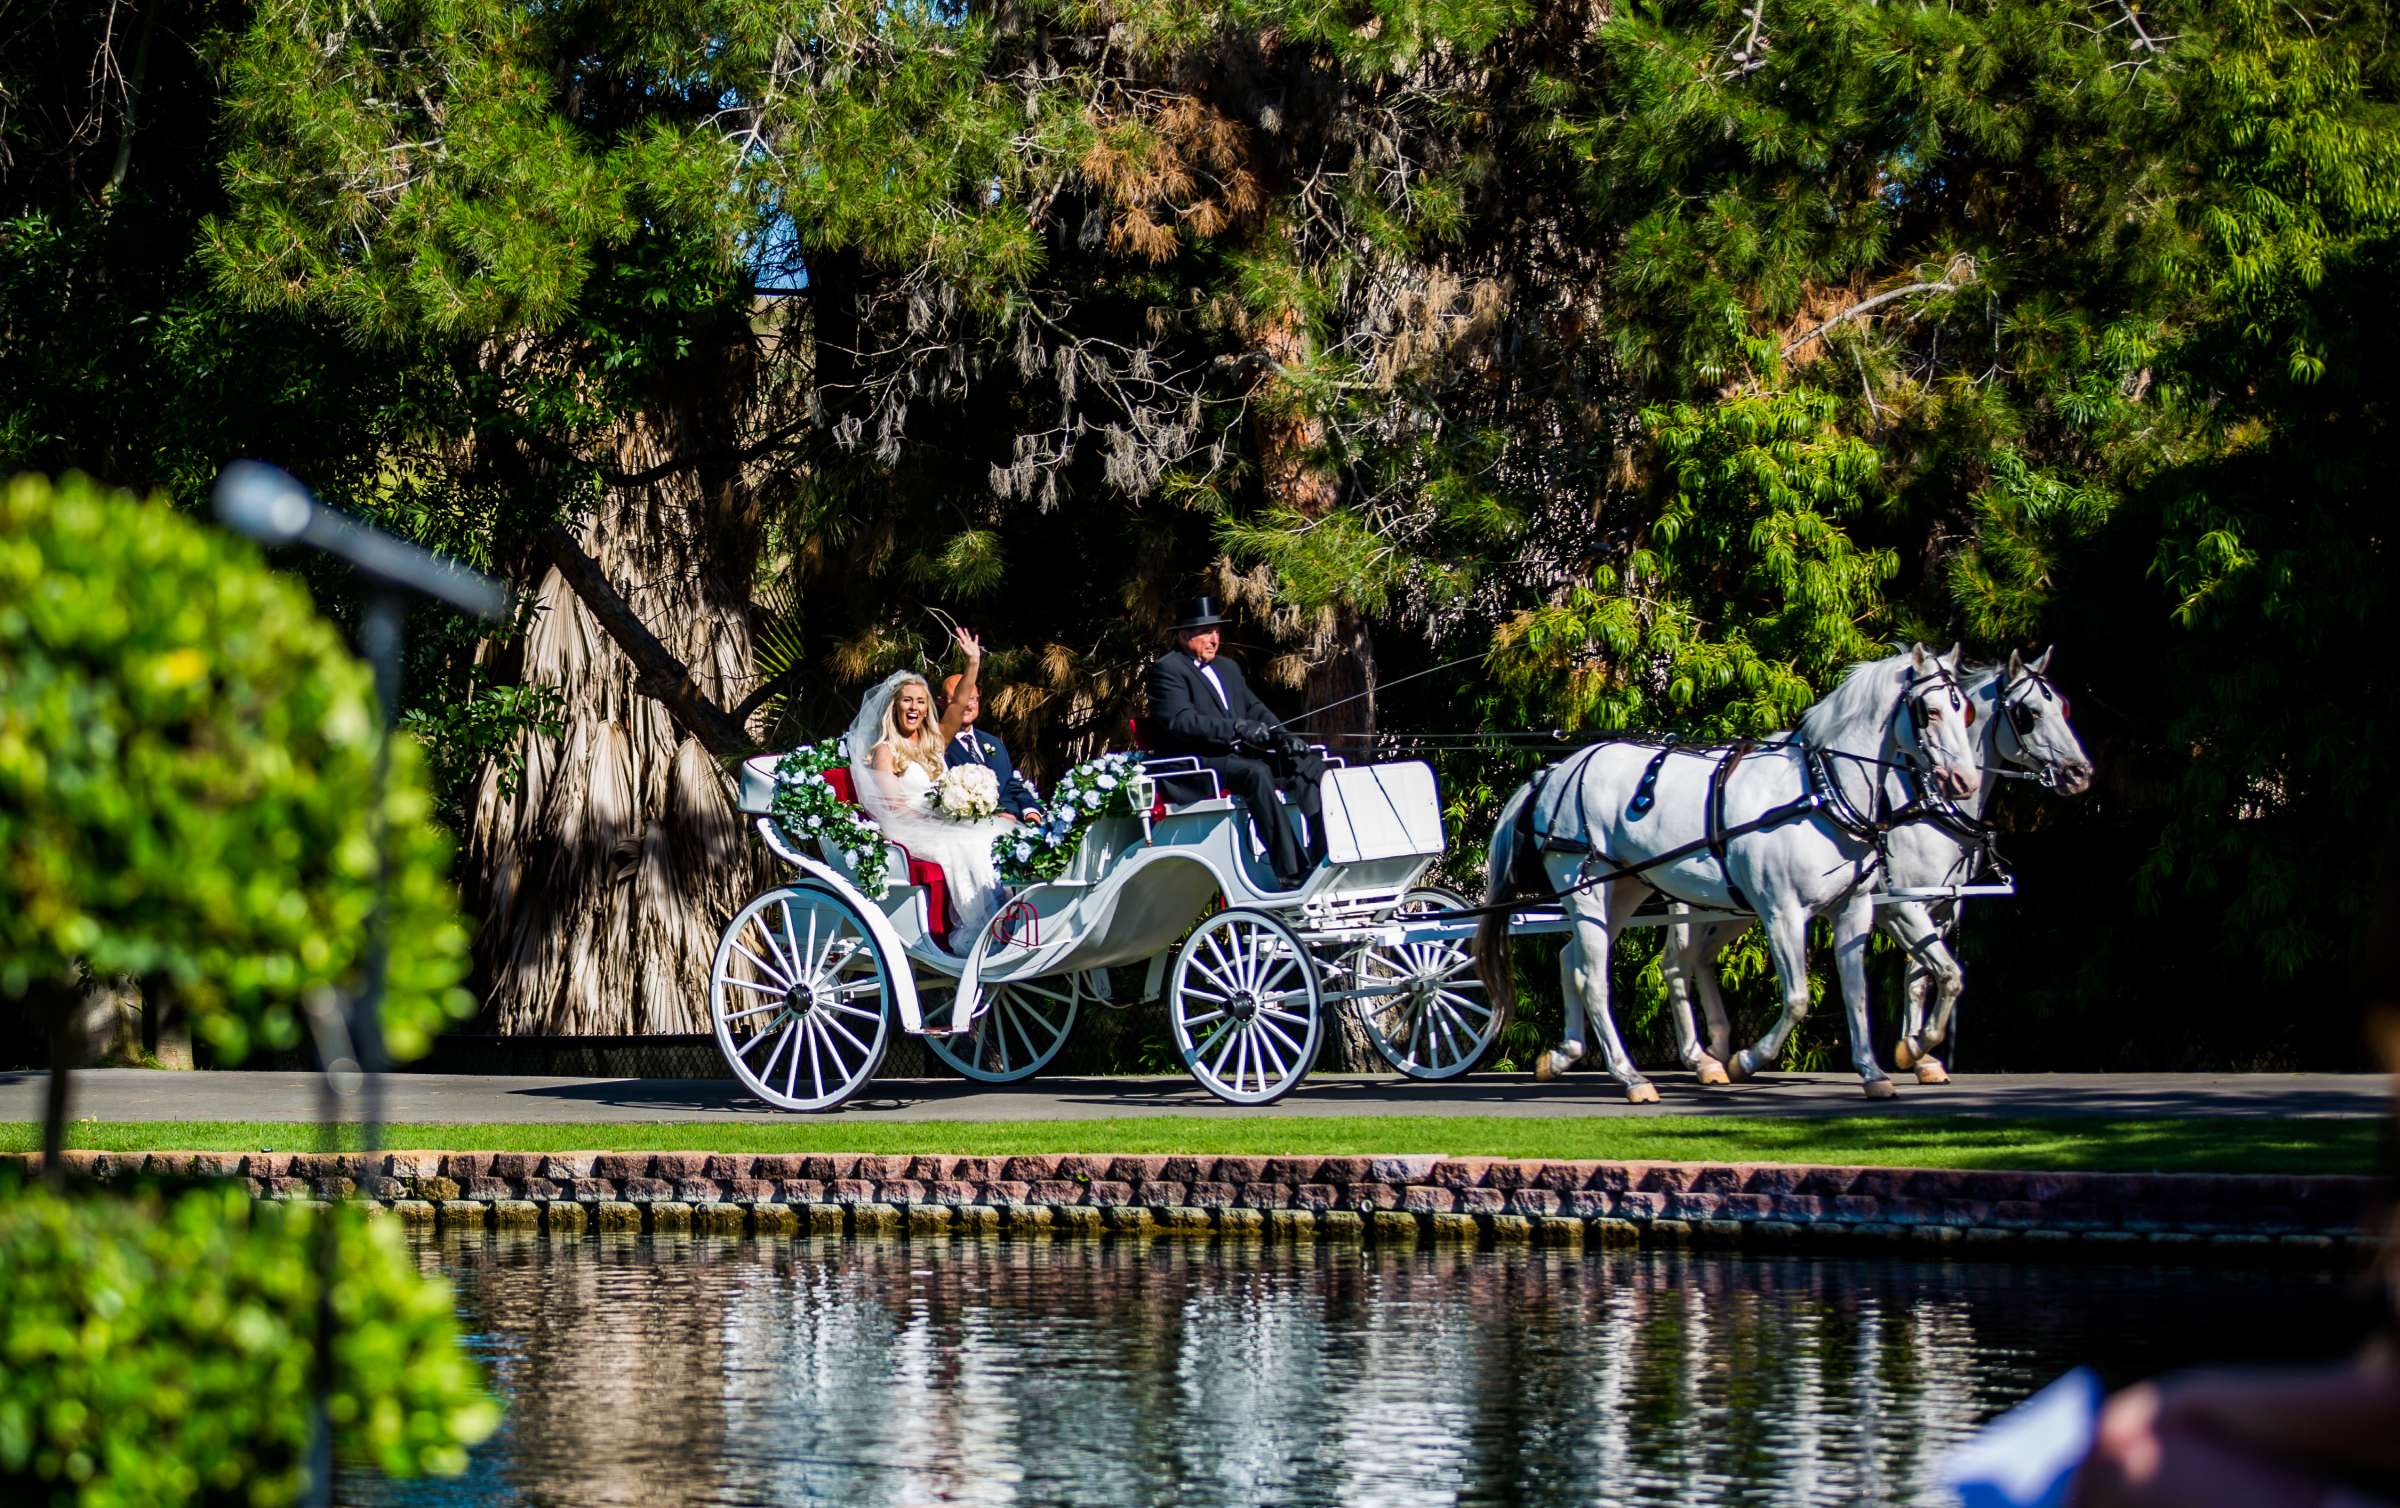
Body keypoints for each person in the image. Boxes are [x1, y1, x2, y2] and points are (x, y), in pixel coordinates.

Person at [845, 628, 1021, 953]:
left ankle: (1017, 912)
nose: (914, 708)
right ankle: (984, 928)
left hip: (942, 820)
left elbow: (958, 704)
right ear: (895, 707)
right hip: (911, 828)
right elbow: (892, 807)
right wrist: (942, 816)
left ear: (927, 708)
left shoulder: (935, 742)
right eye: (907, 701)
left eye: (920, 702)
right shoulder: (886, 751)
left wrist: (973, 663)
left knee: (1004, 829)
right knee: (969, 840)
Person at [1143, 593, 1326, 889]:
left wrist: (1284, 737)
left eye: (1216, 632)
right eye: (1206, 632)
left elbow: (1255, 708)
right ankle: (1291, 871)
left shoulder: (1228, 668)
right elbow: (1181, 721)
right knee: (1256, 773)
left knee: (1309, 764)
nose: (1214, 639)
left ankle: (1324, 855)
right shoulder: (1168, 670)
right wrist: (1237, 728)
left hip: (1236, 759)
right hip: (1198, 764)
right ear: (1184, 635)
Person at [942, 671, 1042, 822]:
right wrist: (991, 817)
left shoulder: (993, 742)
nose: (967, 705)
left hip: (1016, 824)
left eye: (972, 698)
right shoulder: (939, 746)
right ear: (941, 702)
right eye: (958, 699)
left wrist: (1030, 810)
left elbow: (1009, 782)